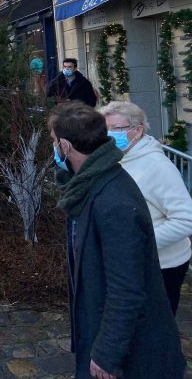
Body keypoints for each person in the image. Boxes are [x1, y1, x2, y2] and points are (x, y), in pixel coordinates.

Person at [48, 101, 185, 378]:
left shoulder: (112, 199)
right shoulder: (91, 183)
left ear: (65, 145)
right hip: (100, 325)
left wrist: (107, 354)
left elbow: (127, 290)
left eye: (53, 141)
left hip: (132, 356)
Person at [99, 101, 192, 314]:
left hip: (161, 266)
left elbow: (186, 218)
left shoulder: (157, 166)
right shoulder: (119, 158)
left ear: (138, 130)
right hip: (132, 262)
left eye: (117, 128)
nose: (109, 134)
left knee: (156, 332)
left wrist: (139, 241)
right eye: (106, 129)